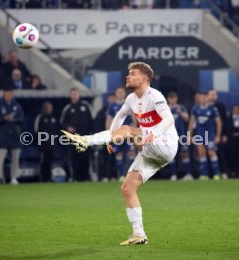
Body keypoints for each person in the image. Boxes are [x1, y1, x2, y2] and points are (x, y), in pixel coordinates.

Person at [62, 62, 178, 245]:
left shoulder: (155, 96)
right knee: (127, 188)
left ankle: (86, 140)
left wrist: (154, 134)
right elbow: (120, 115)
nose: (128, 76)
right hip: (148, 149)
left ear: (144, 79)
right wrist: (111, 137)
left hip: (166, 144)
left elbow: (169, 118)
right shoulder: (132, 98)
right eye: (128, 73)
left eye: (132, 74)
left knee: (128, 130)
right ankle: (139, 234)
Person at [60, 88, 93, 181]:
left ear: (79, 95)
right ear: (70, 95)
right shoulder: (68, 108)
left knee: (85, 158)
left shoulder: (85, 106)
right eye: (72, 94)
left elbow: (92, 120)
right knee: (74, 158)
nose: (74, 96)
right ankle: (75, 177)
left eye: (76, 94)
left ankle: (86, 177)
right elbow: (62, 123)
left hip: (85, 137)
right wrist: (68, 128)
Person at [0, 89, 24, 185]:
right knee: (0, 157)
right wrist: (4, 118)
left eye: (9, 94)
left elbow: (22, 119)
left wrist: (14, 119)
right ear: (4, 94)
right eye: (6, 94)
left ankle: (14, 177)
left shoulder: (17, 106)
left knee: (15, 157)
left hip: (14, 135)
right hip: (2, 135)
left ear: (12, 95)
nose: (8, 96)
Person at [188, 92, 222, 180]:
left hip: (210, 134)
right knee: (201, 153)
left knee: (211, 152)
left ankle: (216, 174)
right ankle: (204, 175)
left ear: (207, 98)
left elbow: (218, 122)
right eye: (200, 98)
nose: (202, 99)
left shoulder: (212, 108)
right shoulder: (195, 108)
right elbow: (191, 122)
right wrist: (189, 135)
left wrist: (218, 135)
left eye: (204, 97)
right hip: (200, 135)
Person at [106, 87, 136, 181]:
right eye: (118, 92)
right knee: (119, 153)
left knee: (131, 152)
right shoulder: (112, 106)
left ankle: (132, 175)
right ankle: (121, 175)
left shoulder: (129, 105)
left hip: (128, 134)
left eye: (121, 92)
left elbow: (134, 118)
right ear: (116, 94)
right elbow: (109, 120)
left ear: (124, 94)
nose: (120, 94)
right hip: (118, 134)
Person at [167, 91, 193, 180]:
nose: (172, 100)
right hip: (170, 136)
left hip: (181, 135)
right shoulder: (165, 109)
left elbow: (187, 118)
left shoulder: (181, 107)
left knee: (185, 153)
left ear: (176, 99)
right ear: (168, 99)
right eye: (170, 98)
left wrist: (180, 112)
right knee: (171, 155)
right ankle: (173, 175)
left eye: (173, 98)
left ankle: (188, 174)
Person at [208, 89, 228, 179]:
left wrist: (223, 134)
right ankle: (211, 173)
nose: (212, 96)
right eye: (210, 94)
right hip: (206, 134)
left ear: (217, 96)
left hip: (217, 134)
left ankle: (223, 172)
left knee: (220, 153)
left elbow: (224, 122)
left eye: (214, 94)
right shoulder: (204, 106)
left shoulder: (221, 107)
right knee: (208, 153)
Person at [34, 101, 56, 182]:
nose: (50, 109)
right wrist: (40, 143)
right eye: (48, 107)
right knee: (44, 161)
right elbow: (36, 130)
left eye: (51, 107)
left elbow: (55, 130)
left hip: (51, 144)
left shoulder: (53, 117)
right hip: (43, 144)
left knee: (50, 161)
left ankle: (49, 177)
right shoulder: (40, 117)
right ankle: (43, 177)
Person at [228, 104, 239, 177]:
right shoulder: (229, 118)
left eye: (237, 109)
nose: (236, 110)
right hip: (232, 139)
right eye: (235, 109)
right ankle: (233, 171)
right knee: (233, 155)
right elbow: (226, 128)